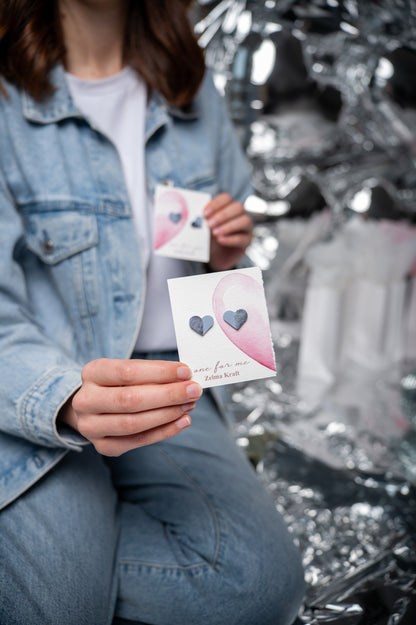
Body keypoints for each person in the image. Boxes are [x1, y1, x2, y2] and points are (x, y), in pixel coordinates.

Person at [0, 1, 305, 623]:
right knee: (60, 606)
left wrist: (226, 256)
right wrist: (63, 397)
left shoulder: (191, 87)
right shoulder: (7, 98)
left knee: (260, 586)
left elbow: (228, 287)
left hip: (174, 379)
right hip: (41, 388)